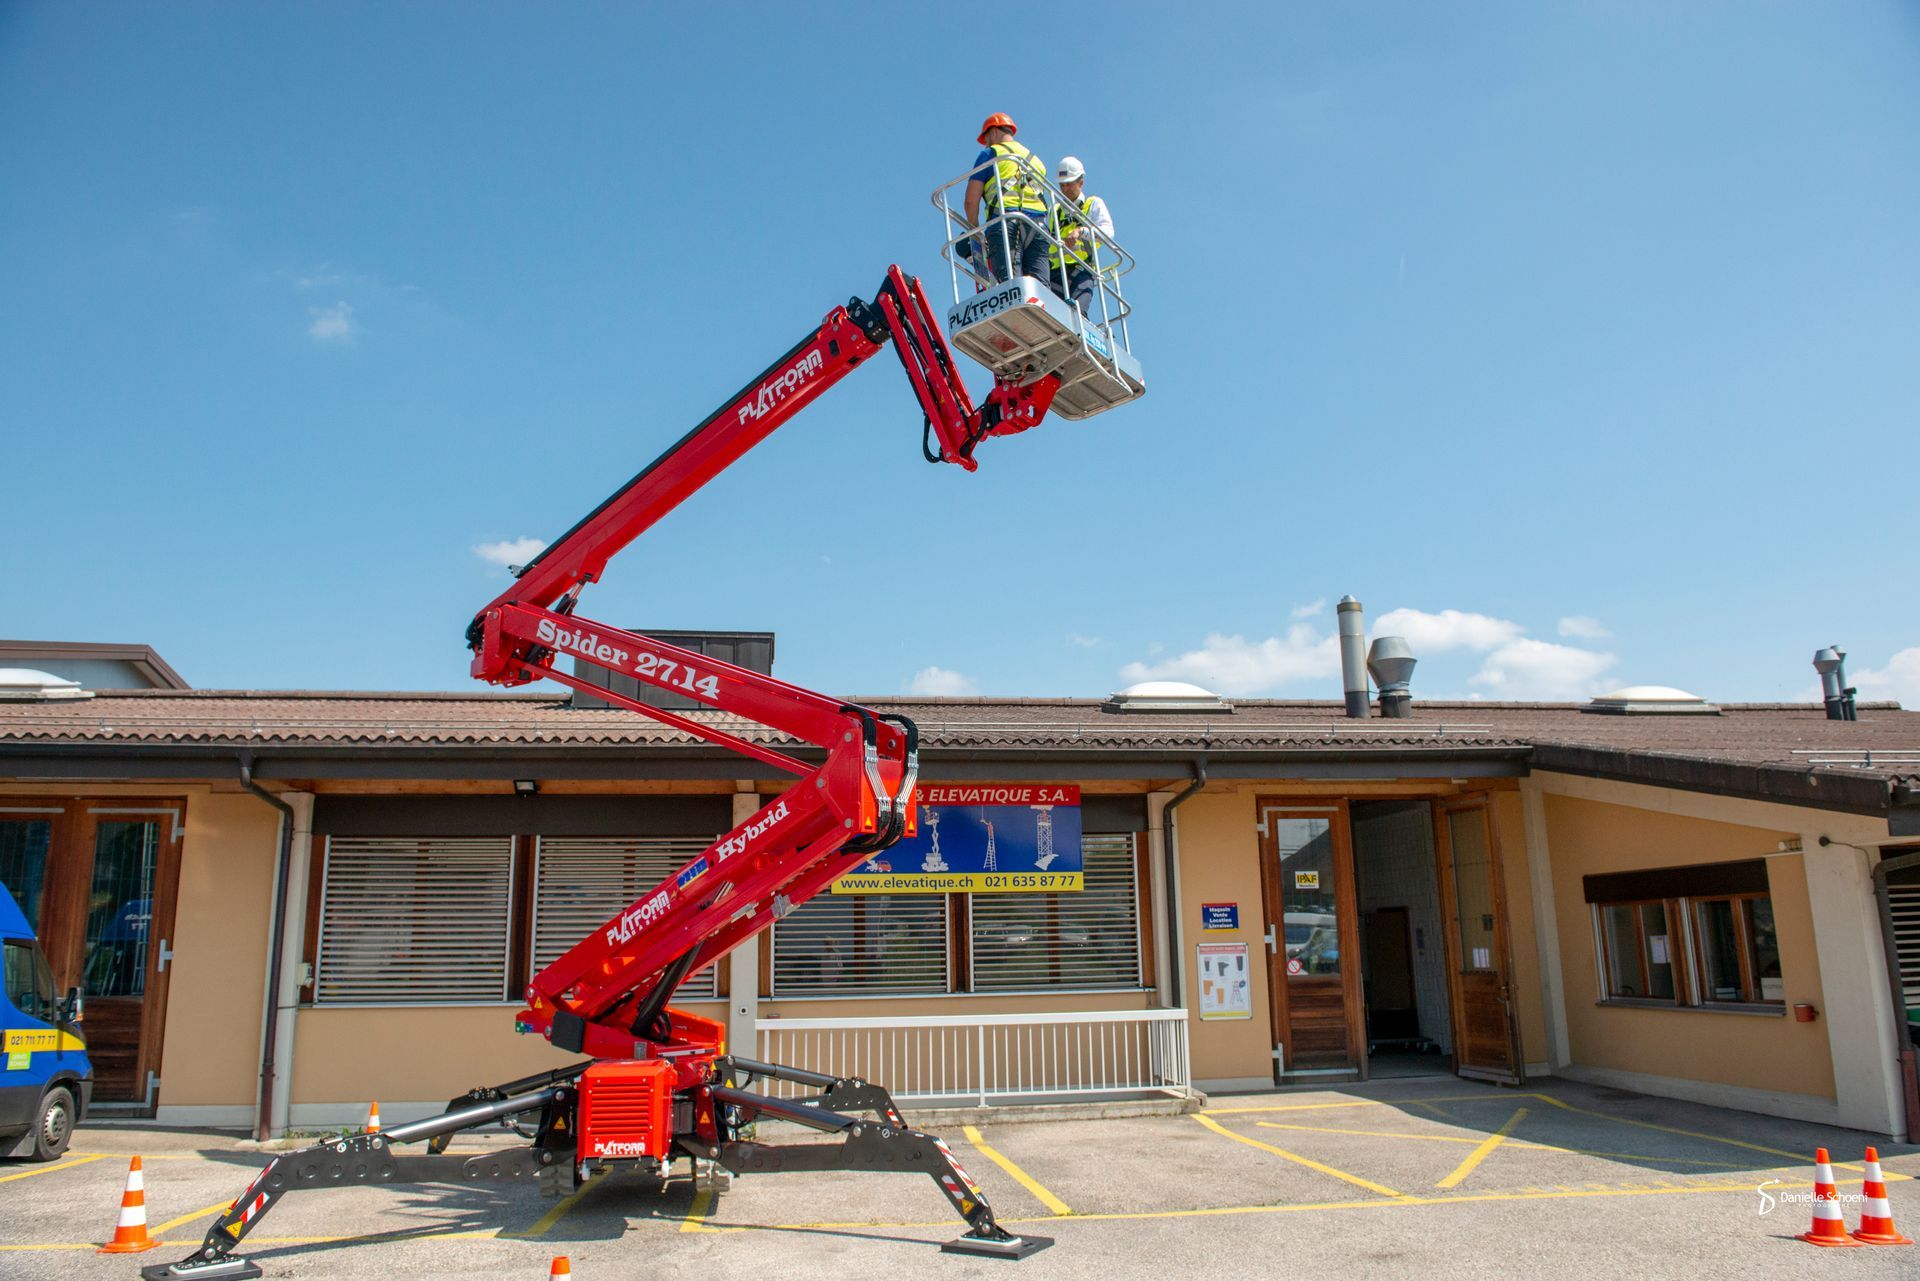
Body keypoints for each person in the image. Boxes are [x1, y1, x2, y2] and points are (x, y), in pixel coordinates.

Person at [963, 113, 1050, 285]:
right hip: (1039, 227)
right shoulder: (1036, 161)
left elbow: (970, 201)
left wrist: (975, 231)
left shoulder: (991, 154)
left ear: (994, 132)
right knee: (1041, 289)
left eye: (986, 138)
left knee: (1010, 286)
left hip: (1006, 222)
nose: (986, 143)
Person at [1049, 156, 1116, 318]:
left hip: (1082, 272)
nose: (1065, 189)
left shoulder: (1093, 204)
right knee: (1053, 317)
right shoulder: (1054, 211)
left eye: (1069, 184)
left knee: (1079, 314)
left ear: (1081, 182)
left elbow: (1108, 233)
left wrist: (1082, 231)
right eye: (1062, 185)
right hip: (1055, 273)